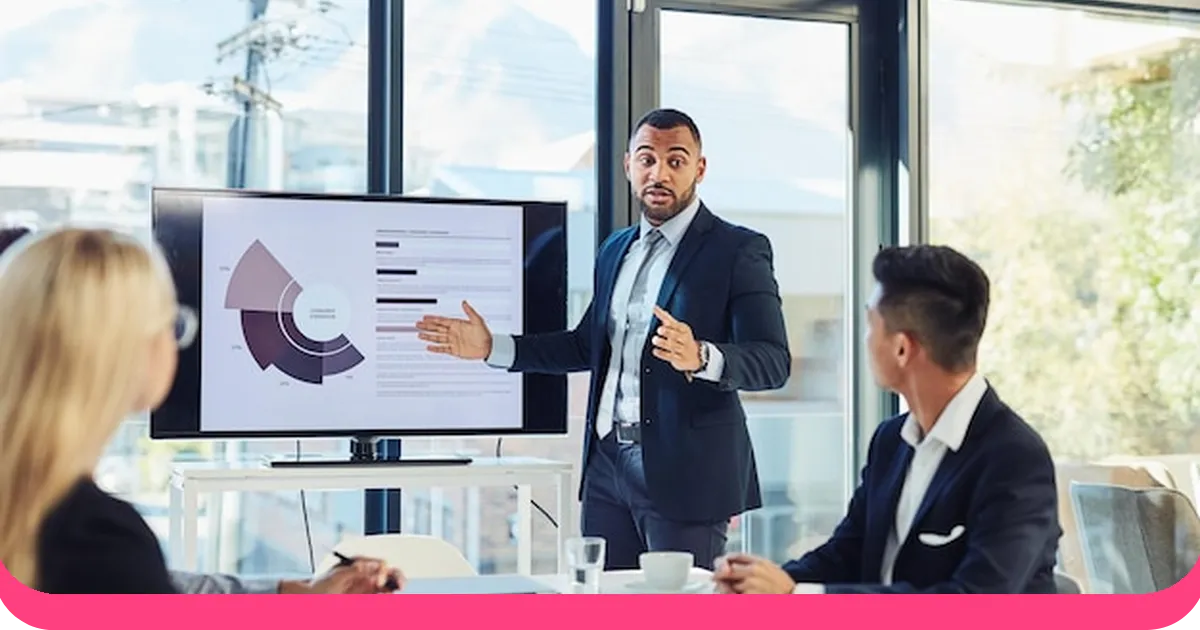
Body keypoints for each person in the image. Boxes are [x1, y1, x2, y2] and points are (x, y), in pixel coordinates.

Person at [415, 108, 790, 570]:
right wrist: (494, 347)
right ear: (628, 164)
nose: (659, 173)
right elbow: (583, 346)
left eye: (676, 160)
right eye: (647, 159)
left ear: (700, 168)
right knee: (603, 604)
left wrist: (701, 357)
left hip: (687, 474)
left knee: (678, 614)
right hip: (607, 468)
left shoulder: (737, 249)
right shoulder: (616, 250)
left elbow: (773, 361)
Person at [0, 228, 403, 605]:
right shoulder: (96, 538)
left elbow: (160, 592)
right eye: (172, 324)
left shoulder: (53, 520)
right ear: (126, 351)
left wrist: (294, 594)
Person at [713, 245, 1060, 594]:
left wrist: (795, 597)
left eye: (870, 324)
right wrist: (761, 583)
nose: (864, 339)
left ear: (901, 349)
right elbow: (848, 551)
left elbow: (974, 598)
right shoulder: (891, 440)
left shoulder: (1015, 458)